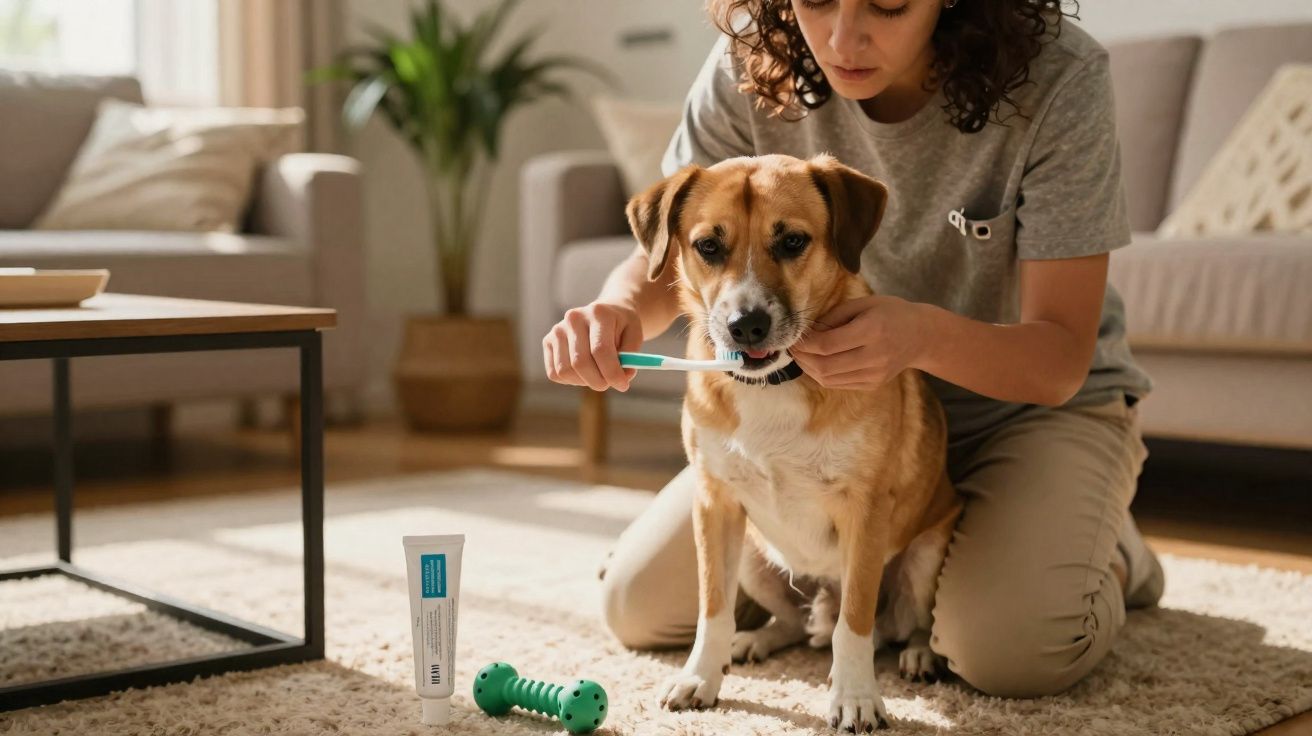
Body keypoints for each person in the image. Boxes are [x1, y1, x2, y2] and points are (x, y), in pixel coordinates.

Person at [541, 0, 1164, 698]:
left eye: (888, 4)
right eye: (814, 1)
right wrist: (616, 309)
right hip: (810, 424)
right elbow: (672, 252)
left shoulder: (1058, 80)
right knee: (638, 608)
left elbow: (1058, 360)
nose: (842, 37)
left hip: (1023, 415)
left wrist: (919, 337)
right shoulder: (751, 69)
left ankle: (1101, 552)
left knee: (1012, 651)